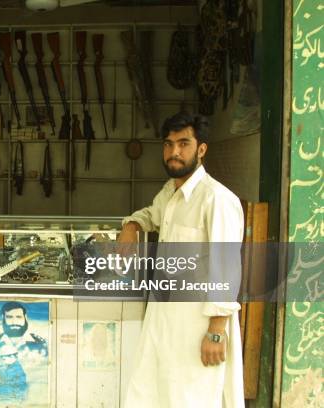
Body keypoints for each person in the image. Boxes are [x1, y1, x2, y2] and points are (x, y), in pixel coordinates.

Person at [120, 112, 244, 407]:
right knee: (153, 392)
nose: (174, 152)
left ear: (201, 149)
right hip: (163, 318)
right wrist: (132, 225)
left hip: (197, 325)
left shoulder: (217, 199)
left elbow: (226, 270)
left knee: (192, 397)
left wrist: (216, 332)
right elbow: (152, 215)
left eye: (183, 144)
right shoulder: (171, 191)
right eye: (168, 144)